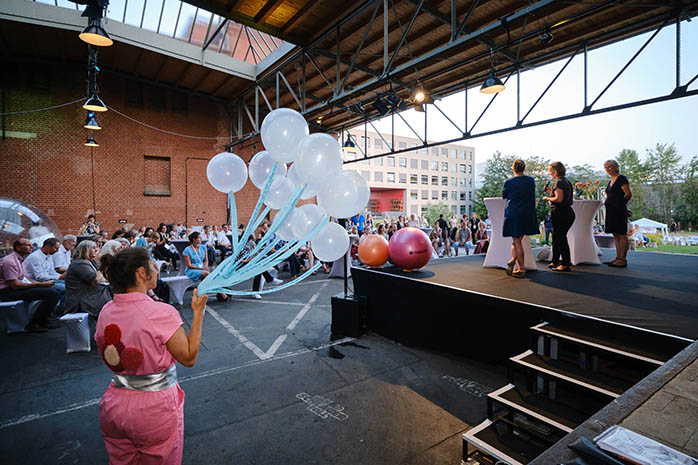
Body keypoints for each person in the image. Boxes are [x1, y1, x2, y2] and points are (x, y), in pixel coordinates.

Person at [95, 247, 208, 465]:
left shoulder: (106, 310)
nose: (157, 270)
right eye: (153, 266)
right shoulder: (160, 312)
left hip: (114, 403)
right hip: (153, 408)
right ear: (141, 273)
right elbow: (188, 357)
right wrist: (198, 313)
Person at [0, 238, 60, 332]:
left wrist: (41, 284)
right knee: (52, 293)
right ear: (18, 247)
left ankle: (43, 320)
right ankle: (34, 324)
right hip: (7, 292)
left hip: (16, 288)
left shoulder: (21, 260)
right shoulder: (9, 261)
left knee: (52, 290)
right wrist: (39, 284)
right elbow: (15, 285)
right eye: (28, 245)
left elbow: (25, 278)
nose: (31, 247)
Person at [501, 159, 539, 277]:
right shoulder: (531, 181)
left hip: (514, 213)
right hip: (527, 213)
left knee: (517, 241)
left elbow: (504, 196)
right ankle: (513, 260)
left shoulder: (509, 182)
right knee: (516, 241)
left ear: (513, 168)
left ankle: (521, 268)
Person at [65, 240, 112, 317]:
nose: (96, 250)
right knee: (107, 298)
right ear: (85, 250)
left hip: (91, 292)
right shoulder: (79, 263)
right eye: (93, 248)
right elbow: (95, 279)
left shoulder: (91, 261)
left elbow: (103, 277)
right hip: (82, 298)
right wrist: (103, 265)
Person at [543, 162, 575, 271]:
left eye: (551, 170)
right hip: (566, 213)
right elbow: (560, 195)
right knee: (557, 238)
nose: (549, 172)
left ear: (556, 171)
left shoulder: (559, 182)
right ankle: (555, 261)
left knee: (560, 238)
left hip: (561, 214)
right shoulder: (566, 181)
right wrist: (551, 192)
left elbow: (559, 199)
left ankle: (565, 263)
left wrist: (547, 198)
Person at [603, 159, 632, 267]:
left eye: (609, 166)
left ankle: (623, 259)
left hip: (618, 210)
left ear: (616, 167)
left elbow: (628, 194)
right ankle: (618, 257)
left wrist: (622, 205)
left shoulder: (621, 178)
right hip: (611, 210)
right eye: (605, 167)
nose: (607, 169)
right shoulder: (610, 180)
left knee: (621, 234)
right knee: (615, 234)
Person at [24, 237, 66, 313]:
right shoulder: (35, 257)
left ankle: (61, 309)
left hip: (49, 280)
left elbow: (51, 271)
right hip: (38, 283)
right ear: (48, 247)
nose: (57, 250)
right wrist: (59, 277)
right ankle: (58, 312)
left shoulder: (48, 255)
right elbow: (39, 277)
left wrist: (60, 277)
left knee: (70, 285)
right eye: (56, 248)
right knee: (65, 288)